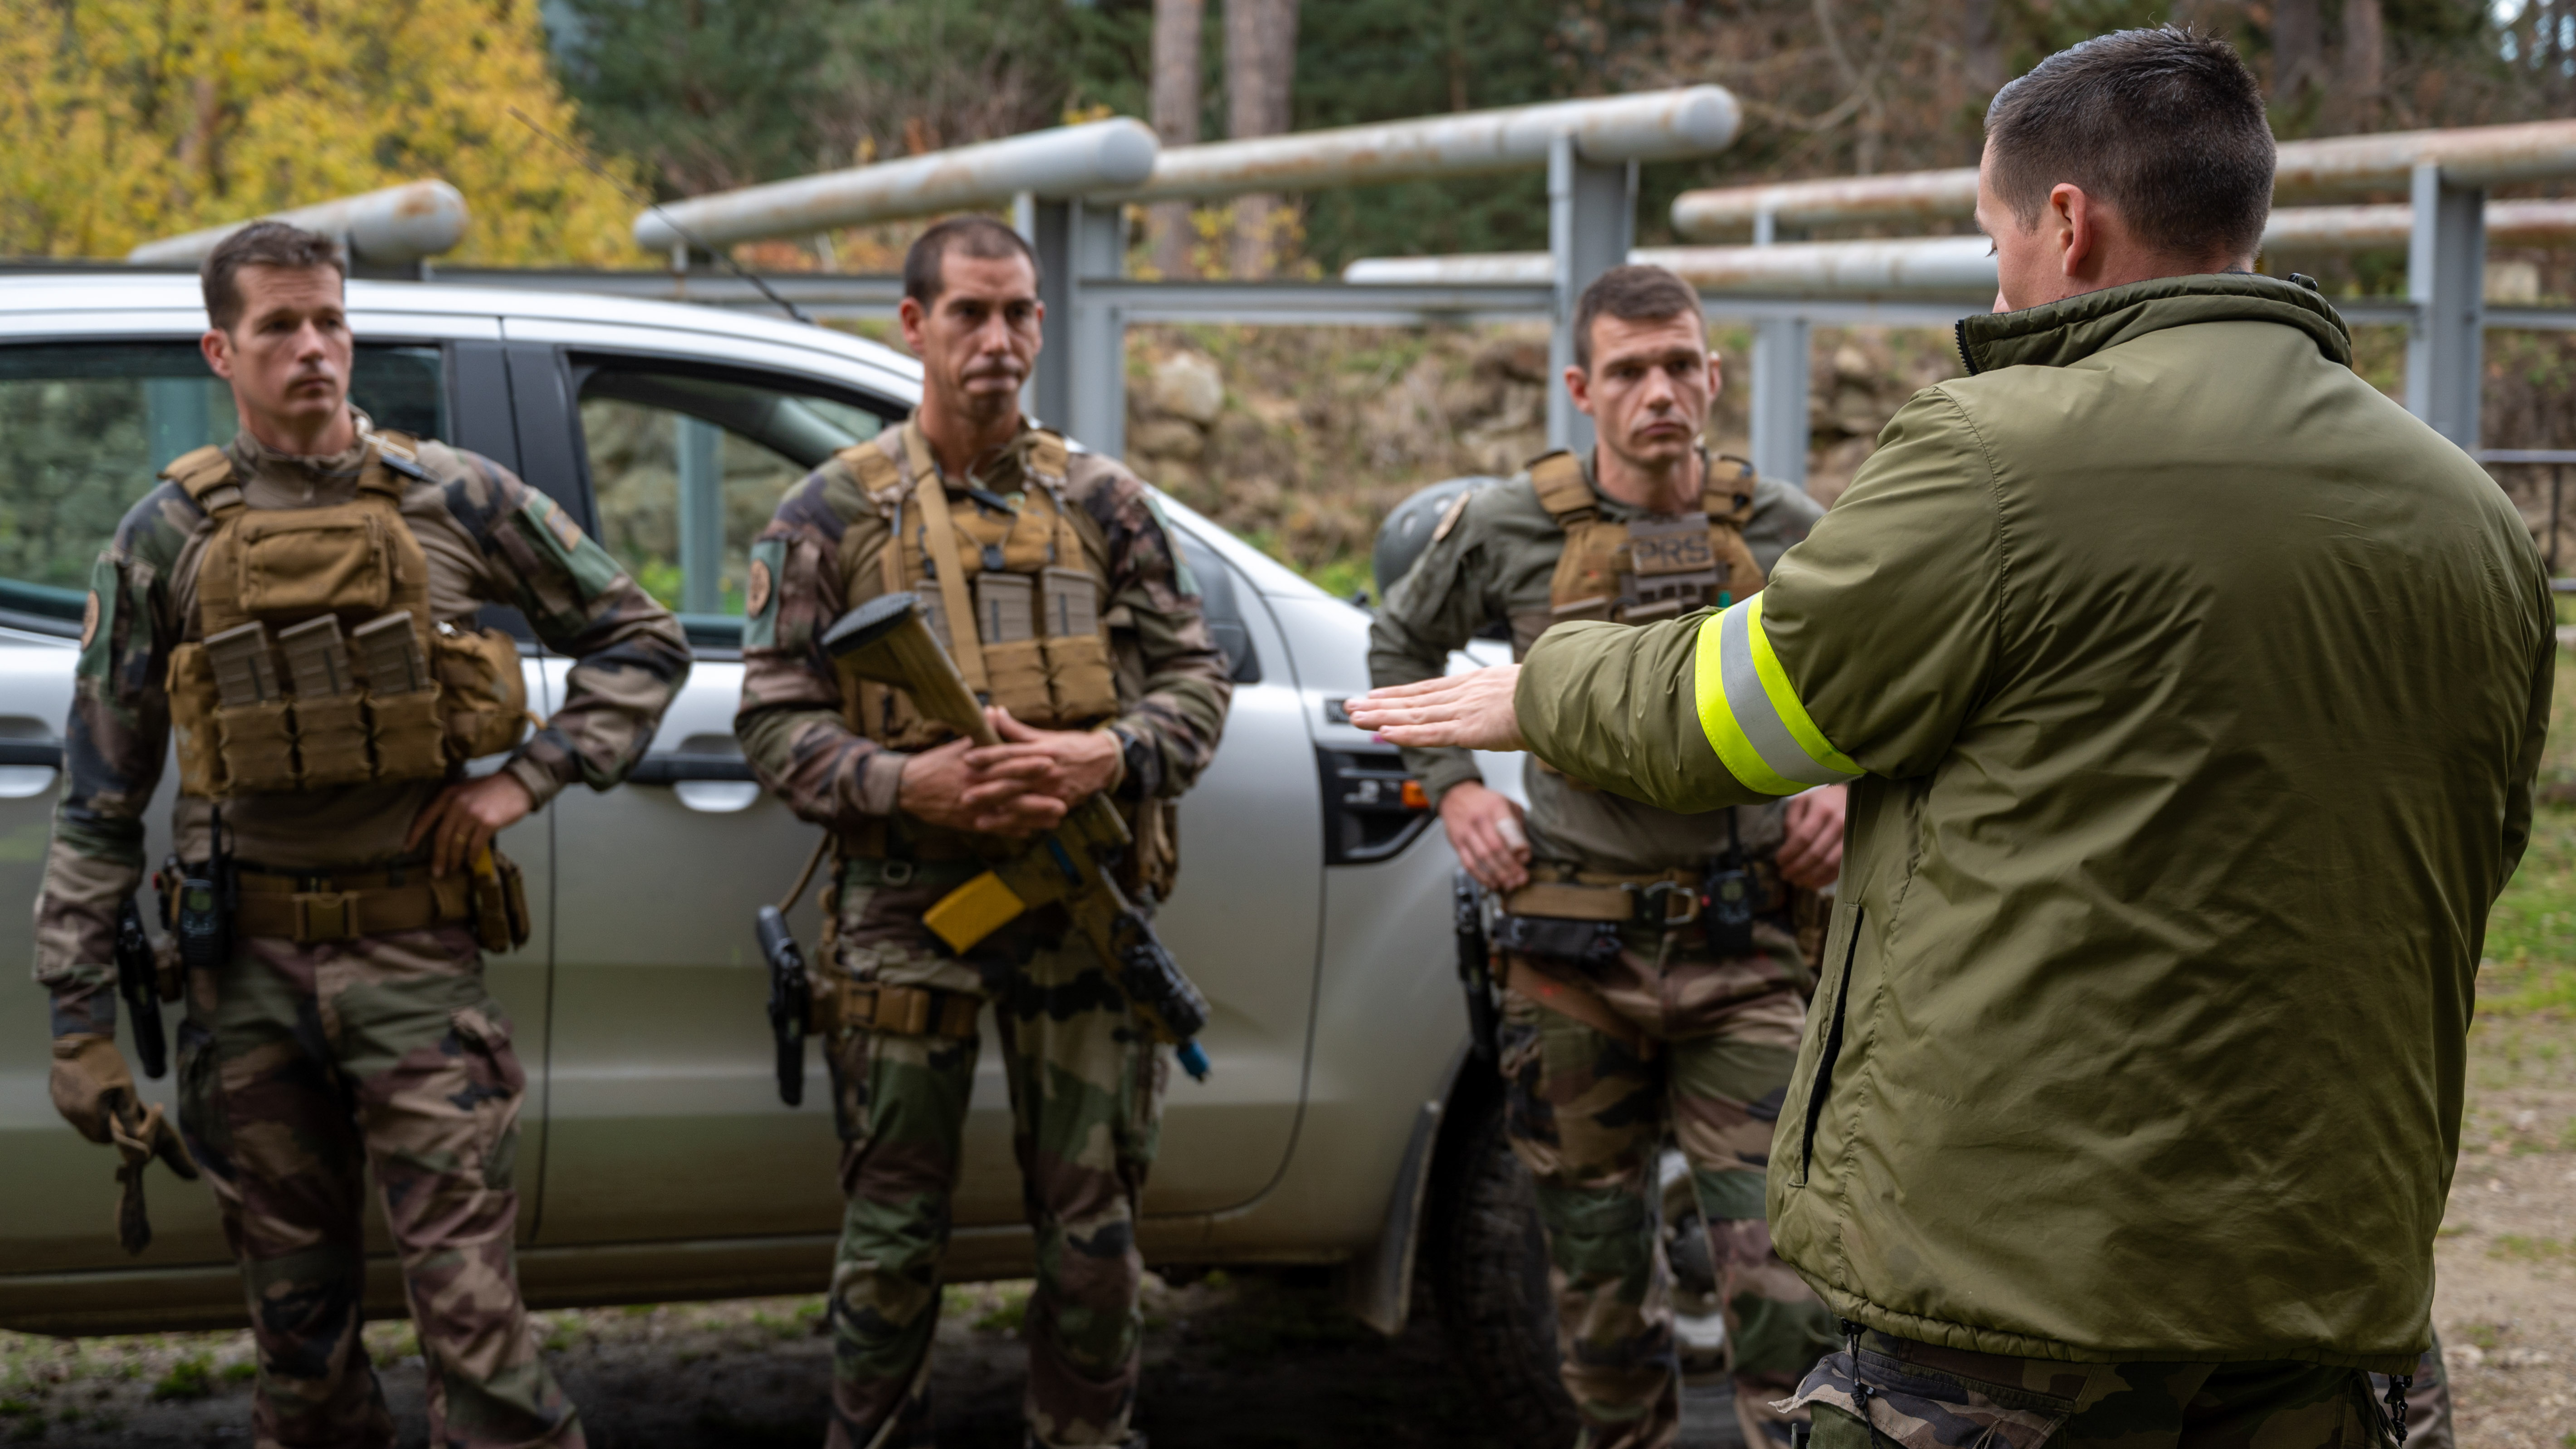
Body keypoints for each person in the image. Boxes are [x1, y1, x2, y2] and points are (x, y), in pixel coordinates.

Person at [1351, 27, 2550, 1449]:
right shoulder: (2472, 514)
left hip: (2020, 1304)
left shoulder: (1993, 453)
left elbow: (1739, 707)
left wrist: (1538, 690)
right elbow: (2480, 842)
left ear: (2066, 221)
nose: (1998, 278)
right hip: (2337, 1299)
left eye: (1994, 233)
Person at [32, 221, 690, 1448]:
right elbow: (100, 792)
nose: (315, 349)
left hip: (416, 965)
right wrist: (77, 1022)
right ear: (220, 349)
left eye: (331, 321)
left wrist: (527, 779)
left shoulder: (457, 495)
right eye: (280, 326)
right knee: (300, 1354)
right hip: (245, 980)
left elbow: (644, 640)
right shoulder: (165, 536)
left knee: (483, 1341)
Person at [734, 215, 1233, 1449]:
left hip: (1077, 906)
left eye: (1018, 313)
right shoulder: (832, 511)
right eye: (969, 312)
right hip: (910, 910)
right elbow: (771, 716)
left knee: (1094, 1230)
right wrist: (916, 788)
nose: (998, 339)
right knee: (893, 1237)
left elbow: (1198, 684)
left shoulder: (1107, 503)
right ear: (914, 324)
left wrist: (1105, 754)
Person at [1368, 263, 1841, 1449]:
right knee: (1593, 1285)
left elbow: (1876, 678)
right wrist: (1456, 792)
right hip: (1572, 954)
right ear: (1583, 388)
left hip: (1747, 950)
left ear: (1714, 374)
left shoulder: (1782, 527)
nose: (1661, 392)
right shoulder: (1507, 524)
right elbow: (1397, 646)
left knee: (1789, 1285)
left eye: (1681, 364)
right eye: (1630, 371)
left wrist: (1842, 779)